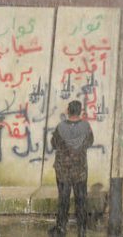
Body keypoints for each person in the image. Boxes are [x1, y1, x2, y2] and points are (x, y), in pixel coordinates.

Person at [49, 100, 94, 236]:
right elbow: (90, 142)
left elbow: (54, 144)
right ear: (79, 111)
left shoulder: (60, 127)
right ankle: (81, 229)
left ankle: (61, 227)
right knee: (81, 199)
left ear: (68, 111)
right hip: (79, 170)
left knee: (63, 199)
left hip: (63, 171)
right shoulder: (86, 126)